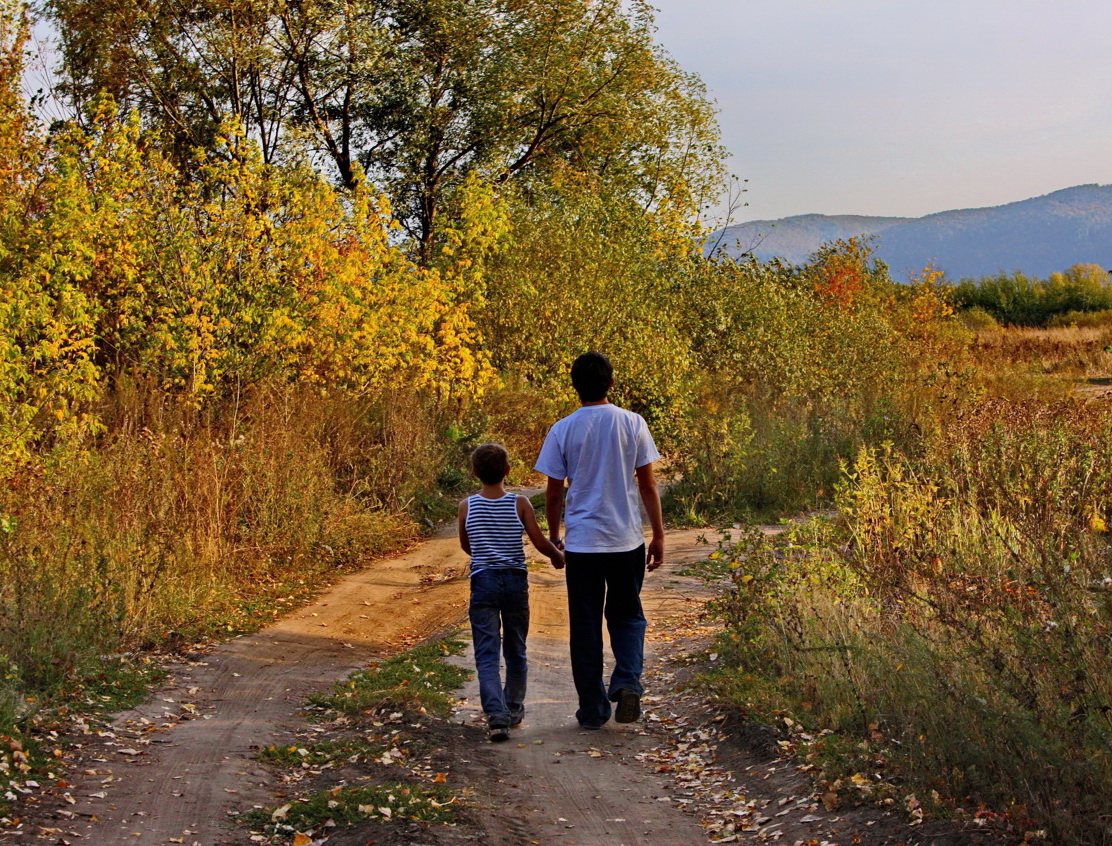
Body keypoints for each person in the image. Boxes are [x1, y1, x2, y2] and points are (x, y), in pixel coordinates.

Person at [534, 352, 664, 729]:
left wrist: (555, 537)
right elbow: (648, 484)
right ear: (611, 383)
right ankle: (626, 682)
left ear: (574, 387)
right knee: (627, 615)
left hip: (583, 547)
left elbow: (554, 492)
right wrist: (657, 534)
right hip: (626, 541)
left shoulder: (563, 429)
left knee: (586, 625)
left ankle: (592, 710)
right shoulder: (632, 423)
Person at [458, 443, 565, 742]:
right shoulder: (520, 503)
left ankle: (496, 717)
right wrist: (558, 557)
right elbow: (540, 541)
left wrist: (483, 552)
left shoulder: (467, 505)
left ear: (475, 472)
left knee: (487, 654)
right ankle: (514, 710)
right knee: (516, 649)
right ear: (507, 470)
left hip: (483, 583)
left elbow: (467, 545)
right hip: (515, 583)